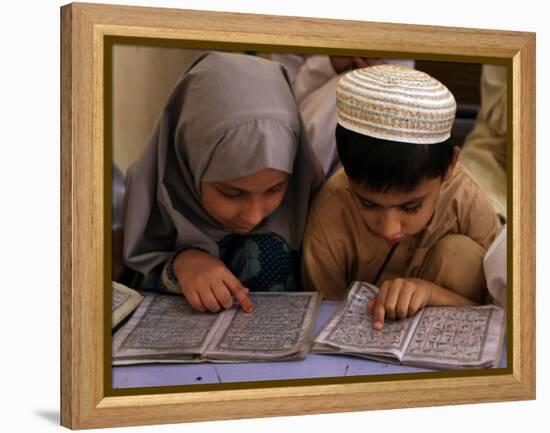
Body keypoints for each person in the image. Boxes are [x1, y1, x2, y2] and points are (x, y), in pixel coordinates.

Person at [122, 51, 324, 313]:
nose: (252, 217)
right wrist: (181, 263)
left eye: (275, 189)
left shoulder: (315, 204)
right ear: (187, 160)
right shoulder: (147, 200)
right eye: (232, 193)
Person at [302, 64, 499, 330]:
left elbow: (501, 313)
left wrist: (432, 294)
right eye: (367, 203)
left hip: (447, 342)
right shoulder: (332, 208)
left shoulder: (466, 199)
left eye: (411, 206)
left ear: (449, 166)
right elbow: (322, 318)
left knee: (459, 255)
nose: (389, 228)